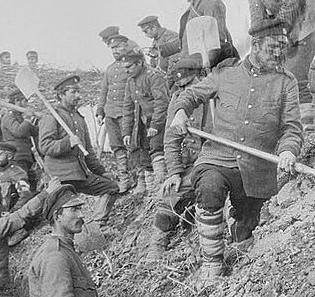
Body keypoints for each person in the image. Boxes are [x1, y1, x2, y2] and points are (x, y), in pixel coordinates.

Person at [170, 18, 303, 279]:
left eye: (282, 47)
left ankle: (239, 246)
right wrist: (180, 112)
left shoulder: (287, 83)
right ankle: (212, 264)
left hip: (257, 168)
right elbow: (190, 96)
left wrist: (288, 150)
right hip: (218, 158)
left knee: (249, 231)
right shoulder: (224, 74)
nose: (279, 53)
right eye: (272, 47)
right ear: (255, 44)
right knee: (209, 188)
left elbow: (292, 128)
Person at [225, 0, 315, 132]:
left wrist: (278, 32)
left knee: (295, 76)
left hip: (303, 26)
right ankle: (291, 126)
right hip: (284, 33)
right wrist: (257, 44)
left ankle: (307, 126)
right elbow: (257, 17)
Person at [41, 75, 119, 221]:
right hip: (60, 177)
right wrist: (67, 143)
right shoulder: (52, 116)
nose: (78, 96)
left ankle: (98, 222)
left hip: (79, 174)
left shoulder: (79, 118)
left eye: (79, 91)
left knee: (111, 187)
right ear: (61, 95)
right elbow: (45, 146)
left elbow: (88, 150)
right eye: (73, 92)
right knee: (69, 211)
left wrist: (101, 172)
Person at [152, 56, 204, 258]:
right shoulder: (177, 101)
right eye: (181, 87)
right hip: (191, 164)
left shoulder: (215, 97)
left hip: (217, 159)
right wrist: (174, 172)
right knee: (171, 192)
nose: (186, 91)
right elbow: (171, 140)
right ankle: (157, 245)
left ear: (201, 77)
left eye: (190, 84)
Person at [119, 49, 170, 194]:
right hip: (141, 124)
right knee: (144, 156)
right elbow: (128, 108)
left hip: (158, 122)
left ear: (140, 63)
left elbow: (162, 103)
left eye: (129, 67)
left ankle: (163, 190)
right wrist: (126, 132)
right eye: (125, 68)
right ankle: (153, 192)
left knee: (157, 152)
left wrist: (155, 125)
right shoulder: (130, 82)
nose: (127, 71)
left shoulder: (154, 77)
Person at [95, 33, 135, 192]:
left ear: (126, 45)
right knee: (117, 147)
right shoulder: (110, 69)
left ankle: (138, 178)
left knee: (132, 146)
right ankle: (124, 179)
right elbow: (104, 91)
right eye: (112, 48)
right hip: (110, 114)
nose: (115, 50)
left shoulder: (132, 65)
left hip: (126, 113)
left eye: (118, 46)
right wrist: (100, 111)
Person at [178, 0, 234, 66]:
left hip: (207, 68)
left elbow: (216, 45)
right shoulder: (198, 2)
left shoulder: (210, 2)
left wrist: (200, 68)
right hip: (196, 64)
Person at [0, 90, 40, 191]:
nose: (26, 104)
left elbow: (34, 131)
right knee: (23, 185)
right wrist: (27, 119)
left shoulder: (21, 117)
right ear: (17, 102)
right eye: (24, 101)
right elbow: (19, 132)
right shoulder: (8, 117)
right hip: (16, 157)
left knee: (32, 184)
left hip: (26, 156)